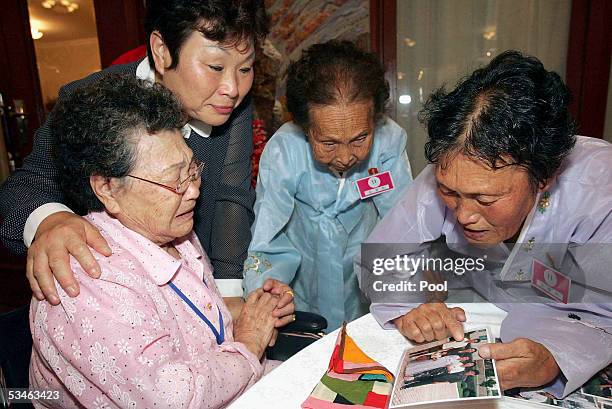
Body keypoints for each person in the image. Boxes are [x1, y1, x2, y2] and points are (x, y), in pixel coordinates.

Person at [29, 74, 291, 408]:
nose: (194, 190)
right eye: (173, 181)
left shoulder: (170, 229)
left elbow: (198, 334)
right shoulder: (87, 278)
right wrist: (250, 342)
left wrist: (252, 314)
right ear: (107, 188)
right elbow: (173, 399)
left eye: (192, 170)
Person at [0, 0, 273, 318]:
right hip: (112, 306)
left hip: (195, 292)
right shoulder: (88, 99)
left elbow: (232, 196)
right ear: (161, 49)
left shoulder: (230, 103)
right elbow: (24, 186)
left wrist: (229, 295)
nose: (232, 88)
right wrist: (51, 221)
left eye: (245, 68)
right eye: (214, 67)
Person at [363, 50, 612, 397]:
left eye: (485, 200)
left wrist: (556, 358)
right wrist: (409, 307)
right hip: (476, 307)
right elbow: (383, 255)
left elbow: (604, 313)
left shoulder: (602, 194)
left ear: (546, 175)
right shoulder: (452, 170)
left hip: (565, 321)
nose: (463, 215)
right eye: (450, 192)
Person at [242, 40, 413, 330]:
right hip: (303, 283)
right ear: (305, 128)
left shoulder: (389, 142)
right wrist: (270, 291)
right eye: (329, 142)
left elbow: (402, 225)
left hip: (367, 282)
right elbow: (269, 237)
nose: (346, 157)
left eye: (360, 138)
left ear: (375, 120)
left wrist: (406, 299)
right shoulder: (285, 150)